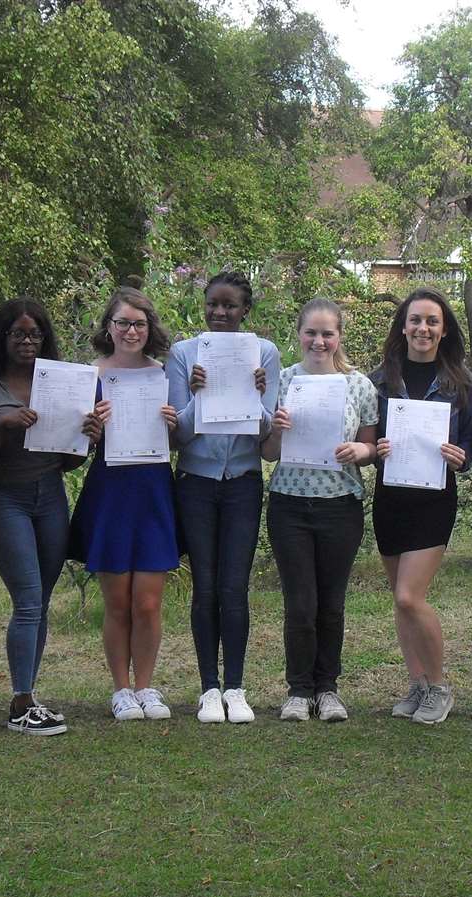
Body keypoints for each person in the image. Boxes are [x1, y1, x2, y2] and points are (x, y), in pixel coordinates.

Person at [0, 298, 104, 735]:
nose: (28, 342)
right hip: (6, 497)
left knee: (41, 602)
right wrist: (0, 427)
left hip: (49, 495)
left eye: (36, 334)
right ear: (3, 338)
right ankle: (20, 703)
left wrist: (87, 439)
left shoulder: (60, 383)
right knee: (28, 600)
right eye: (19, 334)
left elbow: (67, 463)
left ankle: (28, 694)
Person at [166, 271, 280, 724]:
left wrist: (255, 398)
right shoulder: (183, 354)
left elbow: (267, 432)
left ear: (245, 311)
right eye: (213, 303)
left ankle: (236, 686)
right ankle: (208, 688)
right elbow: (178, 436)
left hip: (243, 482)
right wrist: (196, 393)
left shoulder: (264, 354)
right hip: (196, 480)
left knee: (235, 587)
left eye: (230, 306)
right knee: (206, 586)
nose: (220, 312)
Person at [262, 298, 379, 722]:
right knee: (299, 603)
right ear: (299, 334)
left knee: (331, 603)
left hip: (339, 507)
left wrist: (361, 449)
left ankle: (328, 689)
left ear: (339, 336)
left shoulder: (359, 385)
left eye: (328, 333)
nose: (319, 340)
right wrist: (275, 430)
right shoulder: (282, 382)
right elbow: (269, 453)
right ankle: (298, 690)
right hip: (289, 505)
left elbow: (369, 448)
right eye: (311, 332)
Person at [68, 287, 179, 722]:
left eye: (139, 323)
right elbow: (73, 449)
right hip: (110, 492)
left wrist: (173, 427)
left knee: (148, 602)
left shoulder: (164, 375)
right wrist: (89, 431)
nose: (131, 331)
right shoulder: (89, 375)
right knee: (116, 602)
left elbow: (177, 441)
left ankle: (147, 686)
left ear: (149, 329)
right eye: (122, 323)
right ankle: (120, 689)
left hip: (153, 490)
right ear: (108, 327)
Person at [370, 288, 472, 725]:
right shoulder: (381, 379)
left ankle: (439, 687)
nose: (423, 328)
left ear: (444, 329)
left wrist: (463, 455)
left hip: (434, 499)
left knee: (409, 595)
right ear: (403, 326)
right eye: (415, 320)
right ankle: (417, 685)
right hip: (390, 497)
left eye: (432, 321)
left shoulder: (463, 382)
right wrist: (372, 446)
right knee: (401, 603)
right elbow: (365, 433)